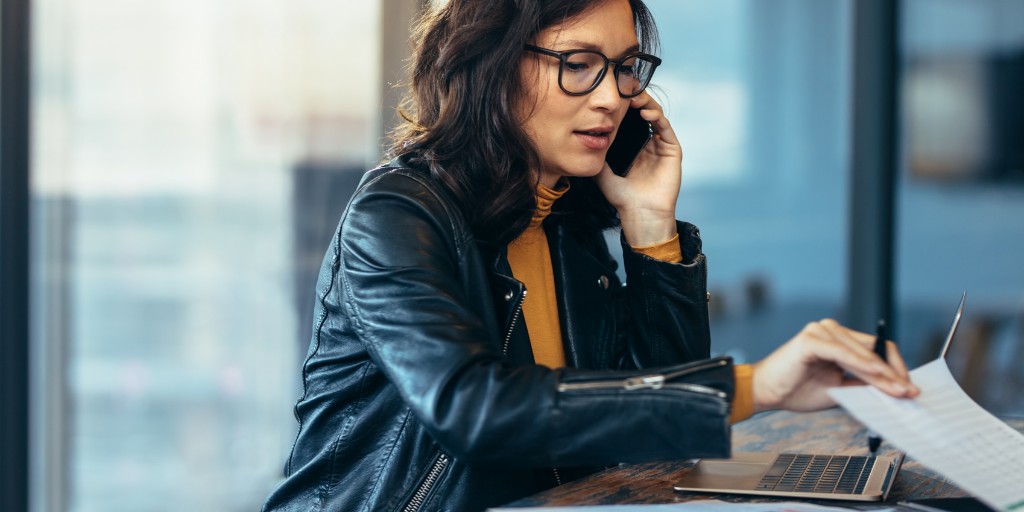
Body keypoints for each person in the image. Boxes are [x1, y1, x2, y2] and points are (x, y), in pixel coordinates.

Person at [262, 0, 919, 511]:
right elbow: (477, 409)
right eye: (578, 64)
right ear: (491, 64)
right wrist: (750, 387)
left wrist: (650, 224)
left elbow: (657, 436)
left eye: (625, 66)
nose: (612, 96)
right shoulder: (399, 214)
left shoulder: (567, 225)